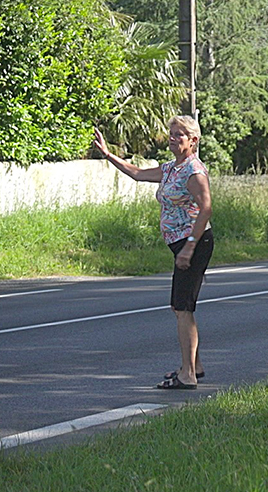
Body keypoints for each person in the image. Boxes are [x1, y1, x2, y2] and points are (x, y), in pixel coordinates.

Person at [94, 116, 213, 390]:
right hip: (182, 243)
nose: (172, 138)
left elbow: (206, 208)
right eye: (171, 133)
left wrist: (190, 246)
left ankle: (188, 375)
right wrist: (109, 155)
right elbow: (137, 173)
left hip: (193, 242)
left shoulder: (194, 171)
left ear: (193, 141)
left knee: (183, 308)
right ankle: (195, 365)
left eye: (179, 135)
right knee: (180, 306)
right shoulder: (173, 168)